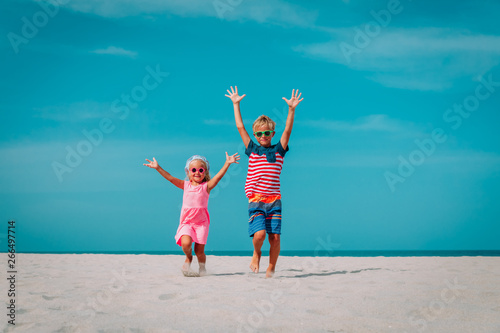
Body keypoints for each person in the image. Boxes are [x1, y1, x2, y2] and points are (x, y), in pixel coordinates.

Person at [225, 86, 303, 278]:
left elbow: (288, 129)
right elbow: (240, 127)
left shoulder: (279, 150)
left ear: (272, 134)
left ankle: (271, 267)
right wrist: (236, 104)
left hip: (274, 201)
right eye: (259, 134)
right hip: (256, 199)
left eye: (266, 133)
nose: (263, 137)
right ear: (255, 135)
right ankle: (256, 252)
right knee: (259, 235)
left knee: (275, 238)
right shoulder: (252, 149)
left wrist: (291, 109)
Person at [144, 153, 240, 276]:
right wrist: (158, 168)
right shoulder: (185, 185)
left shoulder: (206, 187)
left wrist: (227, 164)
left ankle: (202, 268)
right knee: (186, 244)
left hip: (201, 224)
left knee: (199, 251)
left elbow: (218, 178)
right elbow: (170, 178)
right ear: (188, 172)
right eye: (193, 170)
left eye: (201, 170)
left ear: (205, 172)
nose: (197, 172)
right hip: (187, 222)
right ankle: (189, 257)